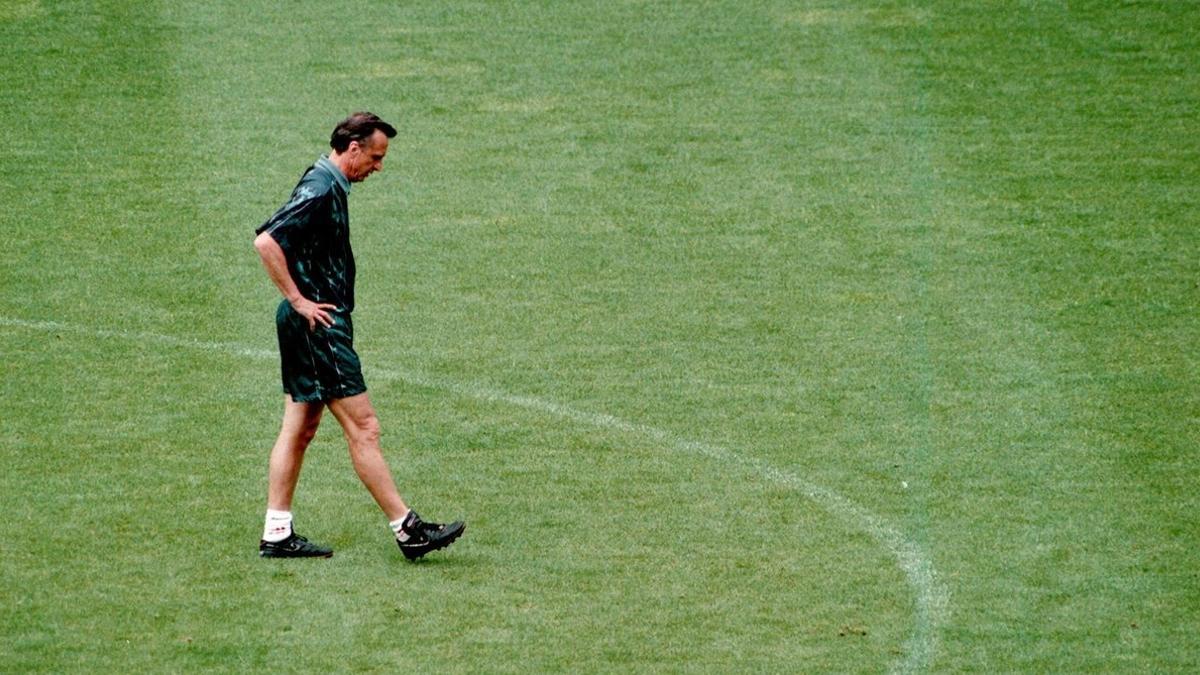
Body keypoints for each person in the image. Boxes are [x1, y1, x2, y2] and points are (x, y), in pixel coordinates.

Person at [252, 112, 464, 560]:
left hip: (309, 325)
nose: (378, 166)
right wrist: (299, 300)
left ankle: (276, 532)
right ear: (353, 148)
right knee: (364, 426)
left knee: (301, 427)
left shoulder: (327, 182)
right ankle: (409, 531)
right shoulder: (321, 187)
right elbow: (267, 241)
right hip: (319, 326)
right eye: (375, 156)